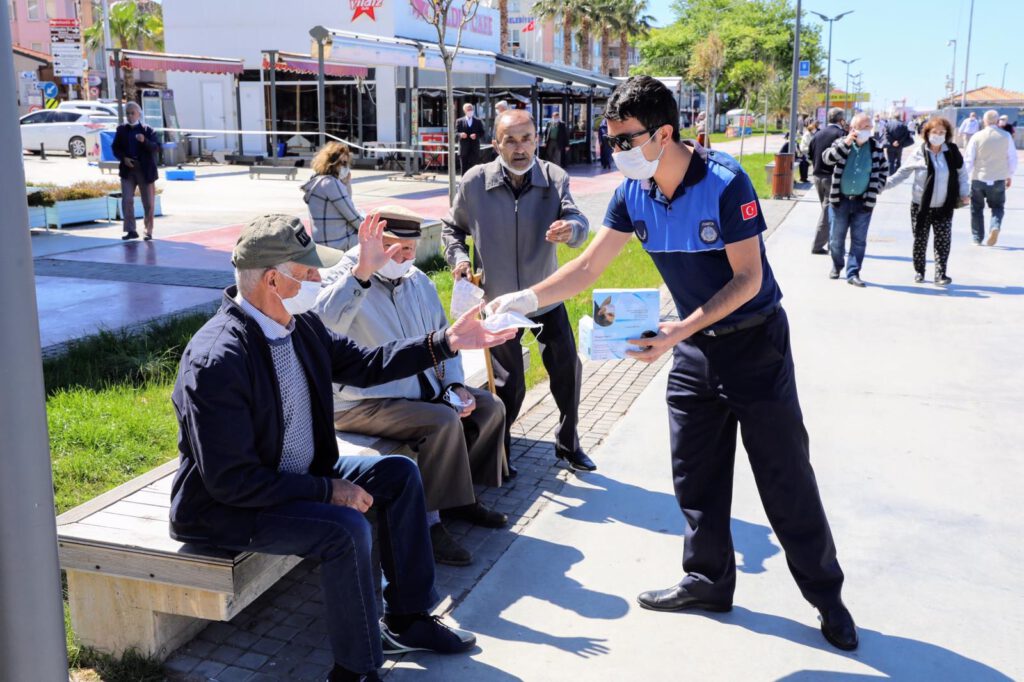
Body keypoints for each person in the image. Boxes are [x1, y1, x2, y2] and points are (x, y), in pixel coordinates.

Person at [487, 76, 857, 652]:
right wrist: (525, 300)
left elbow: (749, 278)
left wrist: (677, 329)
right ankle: (708, 581)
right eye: (611, 142)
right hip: (693, 350)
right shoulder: (632, 193)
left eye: (625, 141)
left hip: (754, 344)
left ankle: (827, 598)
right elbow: (588, 269)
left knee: (785, 477)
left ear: (663, 134)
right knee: (695, 475)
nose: (617, 153)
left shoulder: (727, 183)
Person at [169, 213, 516, 681]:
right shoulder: (218, 360)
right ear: (273, 279)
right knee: (342, 529)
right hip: (228, 507)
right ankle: (356, 669)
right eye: (309, 273)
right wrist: (327, 491)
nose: (318, 279)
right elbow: (231, 481)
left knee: (398, 474)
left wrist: (447, 341)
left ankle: (408, 618)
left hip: (294, 481)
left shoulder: (300, 326)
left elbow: (367, 365)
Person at [315, 205, 508, 567]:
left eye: (412, 249)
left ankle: (462, 500)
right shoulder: (343, 277)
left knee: (489, 408)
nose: (408, 258)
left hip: (420, 391)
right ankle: (428, 523)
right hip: (360, 402)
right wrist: (362, 273)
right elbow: (321, 325)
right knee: (441, 421)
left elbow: (447, 338)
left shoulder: (416, 279)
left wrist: (455, 385)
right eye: (399, 249)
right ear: (374, 242)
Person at [442, 109, 595, 474]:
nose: (520, 148)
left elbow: (580, 222)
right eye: (510, 140)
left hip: (544, 297)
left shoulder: (554, 178)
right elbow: (452, 229)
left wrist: (570, 230)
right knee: (510, 386)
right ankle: (500, 452)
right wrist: (459, 259)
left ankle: (568, 442)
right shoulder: (475, 182)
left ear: (537, 140)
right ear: (495, 144)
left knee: (567, 371)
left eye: (526, 138)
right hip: (497, 304)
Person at [886, 116, 969, 285]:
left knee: (943, 241)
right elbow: (902, 173)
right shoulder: (919, 152)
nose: (938, 135)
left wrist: (964, 193)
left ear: (946, 134)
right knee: (920, 240)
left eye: (942, 132)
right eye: (935, 131)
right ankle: (919, 271)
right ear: (927, 133)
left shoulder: (952, 151)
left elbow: (962, 174)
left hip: (944, 206)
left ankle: (941, 274)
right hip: (921, 206)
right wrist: (882, 186)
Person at [821, 113, 889, 287]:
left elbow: (883, 170)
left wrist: (877, 187)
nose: (867, 130)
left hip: (863, 200)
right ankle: (837, 265)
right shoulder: (842, 143)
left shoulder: (876, 147)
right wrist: (847, 143)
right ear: (853, 129)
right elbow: (827, 159)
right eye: (863, 127)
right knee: (836, 238)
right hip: (840, 199)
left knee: (859, 240)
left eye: (869, 127)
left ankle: (853, 273)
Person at [965, 109, 1017, 246]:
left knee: (976, 208)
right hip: (998, 178)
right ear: (997, 120)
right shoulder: (1006, 136)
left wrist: (964, 177)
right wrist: (1009, 175)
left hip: (979, 178)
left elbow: (969, 159)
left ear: (984, 120)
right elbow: (1012, 159)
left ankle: (977, 237)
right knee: (998, 207)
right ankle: (995, 227)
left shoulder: (976, 136)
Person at [111, 101, 159, 241]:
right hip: (128, 170)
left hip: (145, 170)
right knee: (127, 200)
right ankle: (131, 230)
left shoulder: (147, 130)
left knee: (148, 203)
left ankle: (148, 231)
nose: (130, 116)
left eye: (133, 113)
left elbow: (156, 148)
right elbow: (115, 148)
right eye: (128, 113)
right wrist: (123, 158)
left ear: (139, 114)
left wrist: (145, 141)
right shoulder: (121, 130)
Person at [301, 141, 361, 249]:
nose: (345, 167)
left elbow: (346, 206)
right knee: (384, 241)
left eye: (346, 164)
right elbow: (353, 217)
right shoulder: (331, 183)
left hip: (324, 242)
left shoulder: (317, 181)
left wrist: (345, 183)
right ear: (332, 163)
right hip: (339, 243)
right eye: (342, 163)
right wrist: (377, 231)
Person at [807, 108, 847, 255]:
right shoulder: (841, 134)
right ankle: (818, 245)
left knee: (828, 210)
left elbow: (810, 153)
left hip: (817, 176)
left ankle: (832, 243)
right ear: (841, 120)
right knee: (828, 211)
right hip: (832, 177)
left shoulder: (818, 134)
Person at [455, 103, 485, 174]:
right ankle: (463, 183)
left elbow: (482, 132)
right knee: (464, 168)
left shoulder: (478, 121)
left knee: (474, 168)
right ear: (464, 111)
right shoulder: (459, 121)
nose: (470, 111)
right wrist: (460, 135)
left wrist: (476, 135)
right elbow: (455, 133)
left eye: (471, 109)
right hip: (464, 149)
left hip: (474, 149)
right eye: (468, 109)